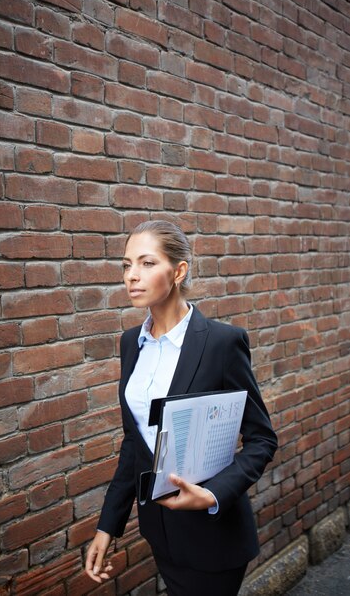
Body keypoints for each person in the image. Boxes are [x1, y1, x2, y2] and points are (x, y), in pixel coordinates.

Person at [85, 220, 278, 596]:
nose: (132, 277)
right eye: (126, 265)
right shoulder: (130, 344)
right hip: (160, 533)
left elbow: (262, 439)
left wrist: (213, 494)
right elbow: (135, 445)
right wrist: (107, 528)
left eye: (146, 263)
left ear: (178, 271)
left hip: (214, 535)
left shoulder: (223, 343)